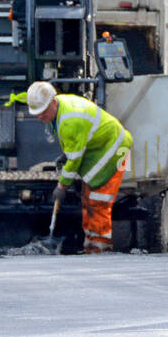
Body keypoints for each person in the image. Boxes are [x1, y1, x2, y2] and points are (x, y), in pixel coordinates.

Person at [25, 81, 133, 254]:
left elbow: (74, 160)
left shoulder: (69, 120)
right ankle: (90, 245)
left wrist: (61, 186)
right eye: (36, 112)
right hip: (101, 149)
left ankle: (101, 248)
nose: (40, 116)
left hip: (115, 149)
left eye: (42, 111)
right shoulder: (60, 106)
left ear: (52, 101)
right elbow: (75, 148)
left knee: (99, 200)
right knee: (88, 198)